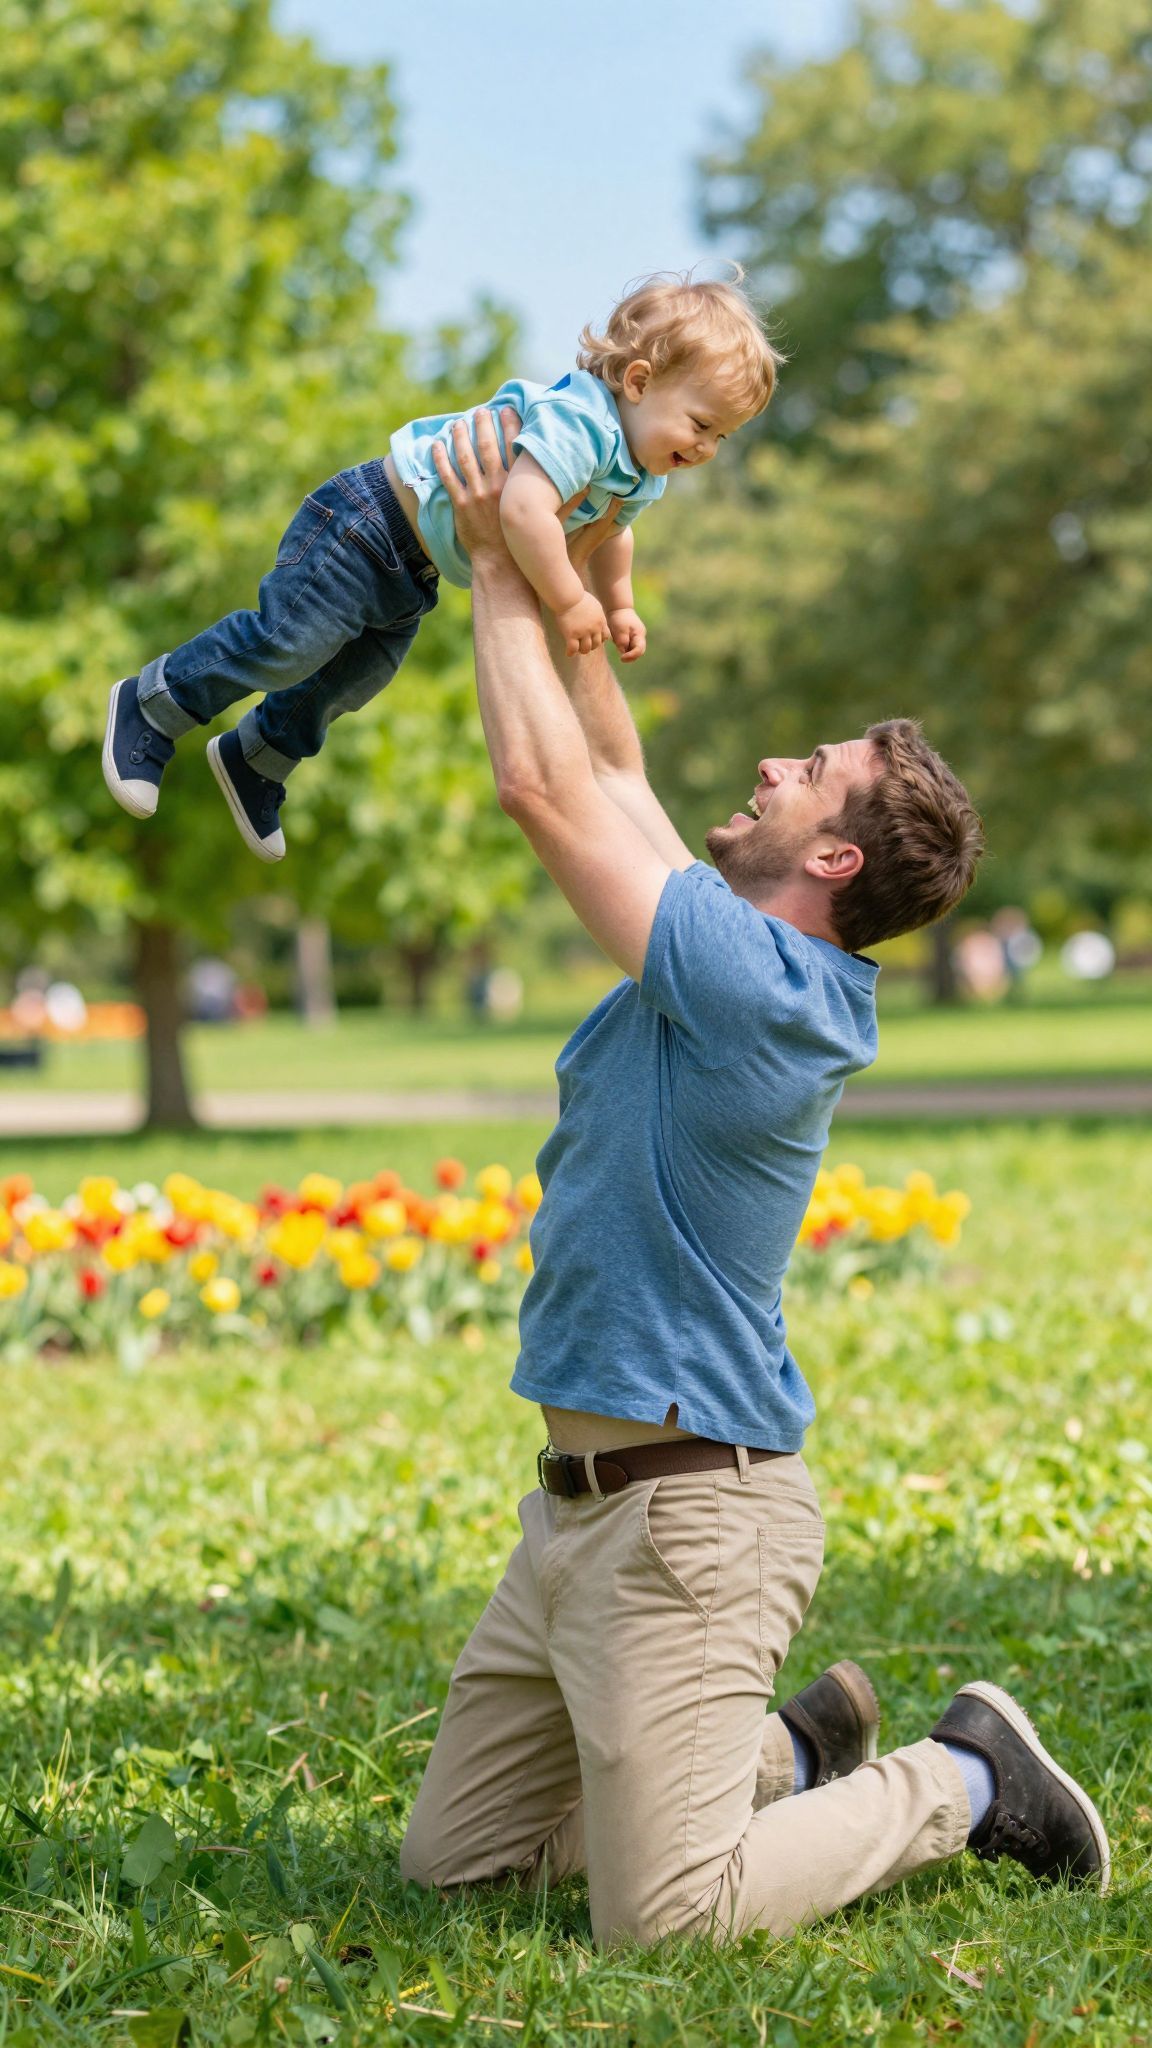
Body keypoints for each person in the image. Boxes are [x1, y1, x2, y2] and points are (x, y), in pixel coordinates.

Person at [398, 410, 1110, 1947]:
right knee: (459, 1869)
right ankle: (790, 1756)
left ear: (835, 861)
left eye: (815, 770)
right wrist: (580, 570)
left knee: (668, 1920)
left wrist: (497, 571)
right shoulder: (736, 943)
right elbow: (611, 766)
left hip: (692, 1524)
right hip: (577, 1520)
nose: (778, 761)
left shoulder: (761, 986)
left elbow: (545, 790)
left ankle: (966, 1781)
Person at [102, 275, 777, 862]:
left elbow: (612, 538)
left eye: (723, 435)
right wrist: (571, 601)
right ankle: (155, 702)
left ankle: (259, 756)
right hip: (367, 522)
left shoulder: (641, 470)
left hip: (413, 567)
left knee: (357, 677)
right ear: (638, 382)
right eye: (701, 423)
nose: (709, 447)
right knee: (289, 642)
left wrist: (620, 602)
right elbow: (521, 509)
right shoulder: (584, 422)